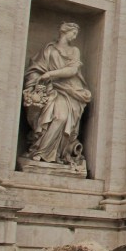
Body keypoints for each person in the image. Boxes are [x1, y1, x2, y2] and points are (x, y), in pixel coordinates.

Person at [22, 22, 92, 166]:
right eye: (73, 33)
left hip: (69, 90)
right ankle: (40, 150)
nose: (75, 37)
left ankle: (51, 153)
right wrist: (38, 80)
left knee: (61, 117)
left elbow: (73, 70)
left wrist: (50, 74)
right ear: (65, 32)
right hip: (49, 89)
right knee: (46, 118)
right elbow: (36, 68)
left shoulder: (74, 50)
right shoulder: (48, 49)